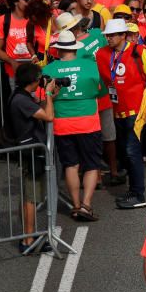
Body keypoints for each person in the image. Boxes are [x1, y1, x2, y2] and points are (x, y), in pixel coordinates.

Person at [43, 30, 106, 222]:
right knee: (92, 163)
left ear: (59, 49)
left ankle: (76, 205)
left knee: (70, 164)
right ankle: (86, 205)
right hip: (88, 120)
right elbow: (101, 91)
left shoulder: (49, 69)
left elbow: (43, 96)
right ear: (75, 48)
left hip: (62, 121)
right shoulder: (90, 65)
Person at [95, 18, 146, 209]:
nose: (110, 39)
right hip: (118, 110)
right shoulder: (102, 54)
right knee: (126, 152)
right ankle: (133, 190)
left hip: (137, 109)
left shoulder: (139, 51)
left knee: (132, 151)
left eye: (113, 35)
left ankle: (139, 195)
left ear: (123, 35)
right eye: (108, 35)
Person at [7, 63, 56, 254]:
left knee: (30, 195)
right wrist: (49, 94)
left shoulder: (22, 95)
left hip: (31, 150)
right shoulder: (21, 99)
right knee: (31, 197)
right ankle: (28, 240)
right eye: (39, 78)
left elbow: (40, 111)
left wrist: (51, 94)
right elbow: (49, 116)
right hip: (31, 152)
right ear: (33, 81)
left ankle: (29, 236)